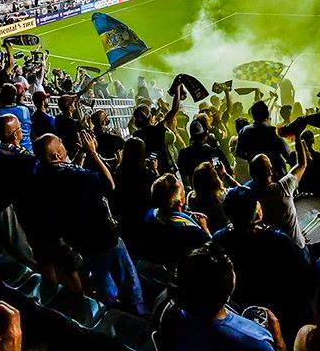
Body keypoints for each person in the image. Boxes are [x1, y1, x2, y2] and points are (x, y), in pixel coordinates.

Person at [32, 131, 144, 314]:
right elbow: (109, 183)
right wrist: (93, 153)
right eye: (60, 141)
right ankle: (136, 311)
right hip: (104, 238)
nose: (63, 142)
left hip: (80, 241)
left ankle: (111, 311)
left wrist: (80, 154)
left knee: (101, 277)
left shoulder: (42, 172)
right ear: (57, 155)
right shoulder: (76, 177)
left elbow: (66, 170)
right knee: (127, 277)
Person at [215, 183, 315, 342]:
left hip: (244, 313)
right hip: (282, 313)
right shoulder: (278, 240)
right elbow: (302, 276)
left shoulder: (219, 239)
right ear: (257, 212)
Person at [159, 243, 285, 351]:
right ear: (226, 291)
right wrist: (279, 343)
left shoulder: (170, 316)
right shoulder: (254, 340)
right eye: (230, 270)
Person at [249, 126, 308, 248]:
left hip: (272, 251)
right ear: (271, 171)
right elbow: (301, 164)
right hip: (295, 247)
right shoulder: (283, 188)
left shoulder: (250, 198)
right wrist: (298, 138)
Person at [143, 173, 211, 267]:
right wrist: (204, 228)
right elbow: (211, 247)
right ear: (179, 202)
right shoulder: (192, 232)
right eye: (183, 191)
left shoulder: (150, 214)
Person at [132, 81, 182, 172]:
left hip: (150, 170)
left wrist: (152, 159)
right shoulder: (158, 129)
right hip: (167, 168)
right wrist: (177, 89)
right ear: (150, 117)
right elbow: (174, 109)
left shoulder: (136, 134)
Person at [235, 101, 292, 178]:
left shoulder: (244, 131)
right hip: (277, 176)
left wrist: (253, 160)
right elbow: (287, 153)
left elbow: (239, 153)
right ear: (267, 114)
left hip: (256, 177)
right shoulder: (273, 131)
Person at [178, 118, 234, 187]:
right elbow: (228, 172)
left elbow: (184, 176)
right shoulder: (215, 152)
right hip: (216, 192)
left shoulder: (183, 153)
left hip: (196, 193)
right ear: (207, 133)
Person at [0, 84, 32, 154]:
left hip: (8, 151)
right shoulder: (25, 109)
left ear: (1, 96)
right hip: (28, 148)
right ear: (15, 97)